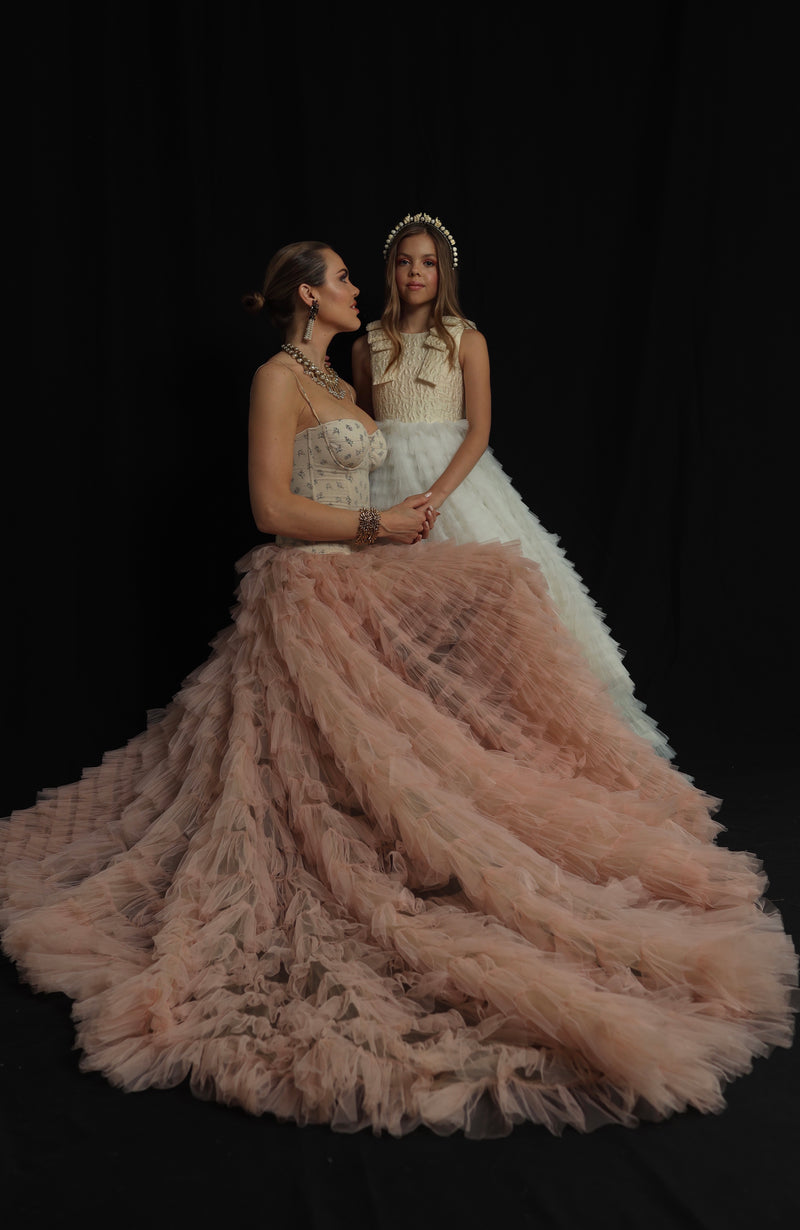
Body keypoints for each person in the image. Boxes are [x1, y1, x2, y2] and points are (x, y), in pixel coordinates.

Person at [0, 239, 795, 1141]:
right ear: (308, 294)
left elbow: (392, 466)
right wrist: (381, 523)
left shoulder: (340, 383)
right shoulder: (278, 379)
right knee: (359, 741)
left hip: (360, 571)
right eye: (341, 278)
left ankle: (489, 794)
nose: (355, 290)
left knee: (501, 583)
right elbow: (271, 509)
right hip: (308, 583)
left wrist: (396, 532)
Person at [352, 212, 672, 757]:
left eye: (427, 263)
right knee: (396, 617)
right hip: (385, 486)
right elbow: (364, 426)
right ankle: (419, 742)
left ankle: (495, 740)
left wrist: (436, 496)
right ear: (390, 270)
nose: (415, 273)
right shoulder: (368, 344)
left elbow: (479, 430)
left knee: (486, 614)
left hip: (452, 481)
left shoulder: (465, 340)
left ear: (443, 273)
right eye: (404, 263)